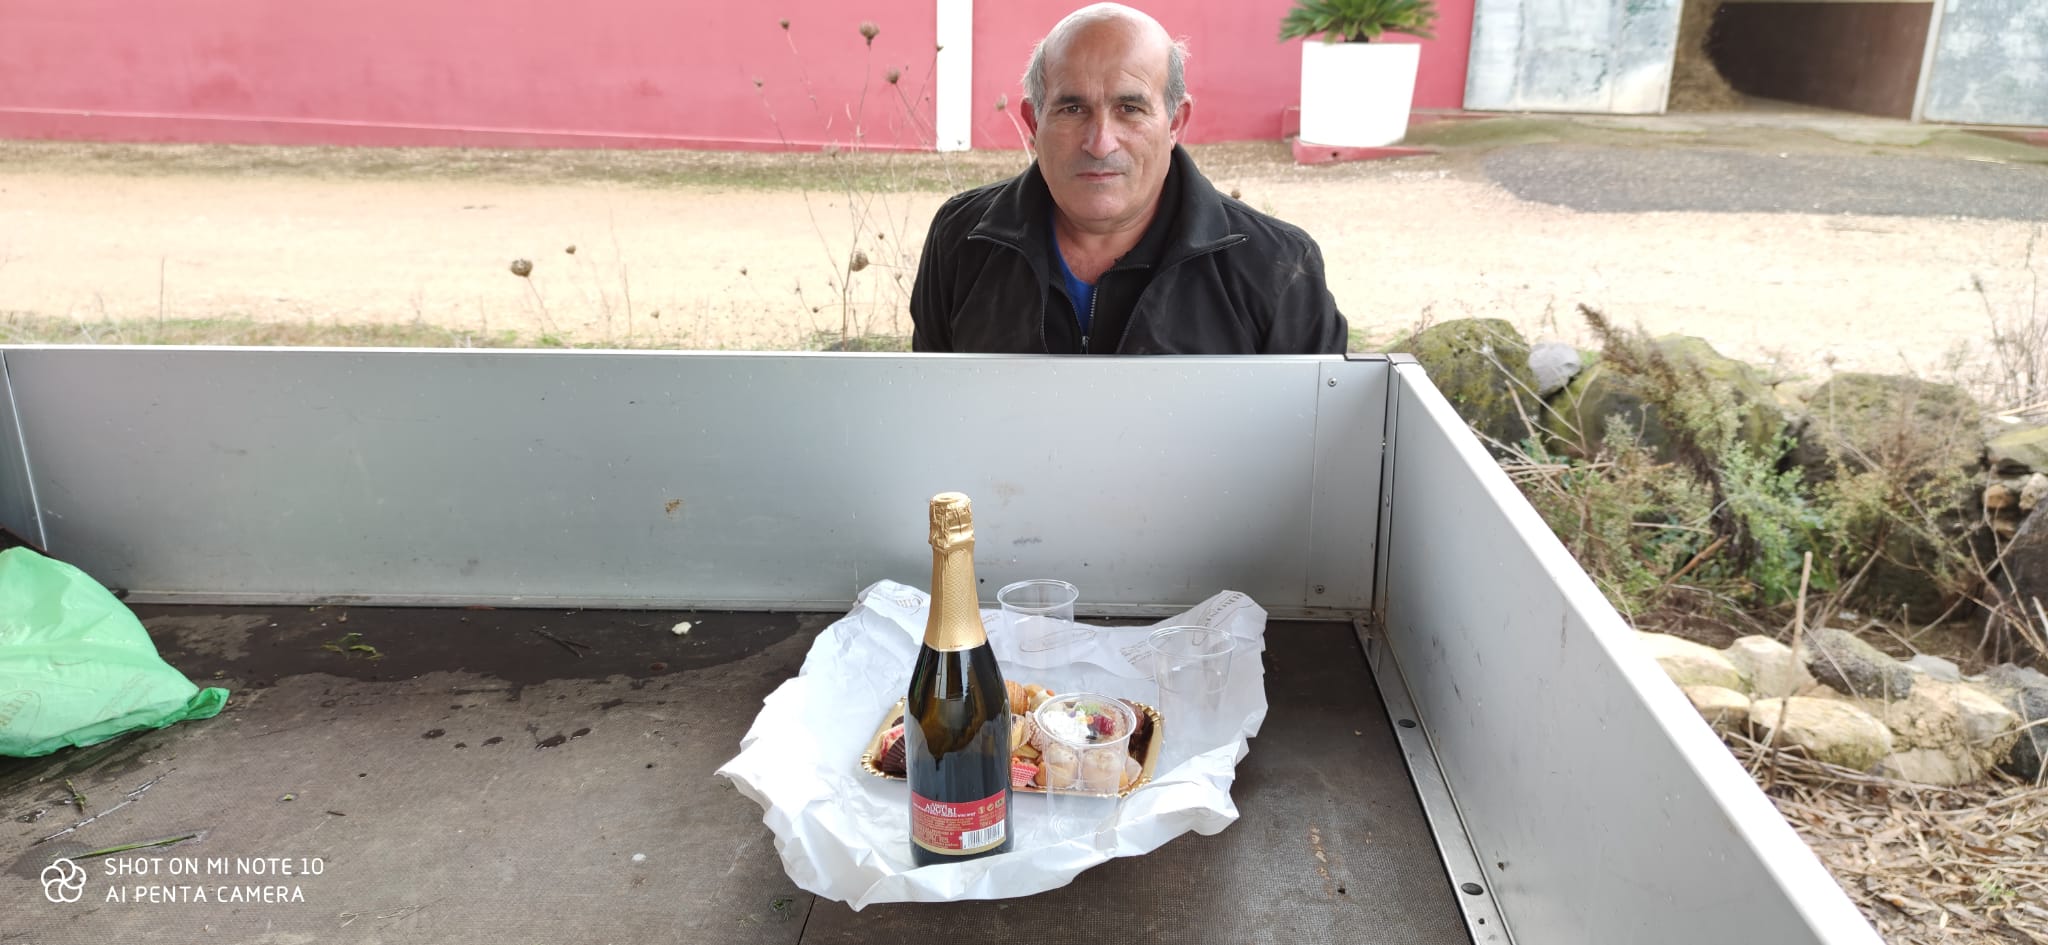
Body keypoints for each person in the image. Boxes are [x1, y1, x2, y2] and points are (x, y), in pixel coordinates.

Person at [909, 3, 1348, 355]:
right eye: (1072, 109)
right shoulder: (962, 239)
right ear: (1034, 122)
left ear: (1175, 122)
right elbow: (932, 410)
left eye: (1130, 109)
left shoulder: (1277, 267)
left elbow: (1314, 432)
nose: (1100, 143)